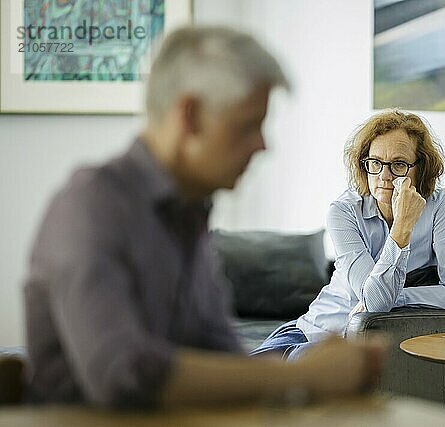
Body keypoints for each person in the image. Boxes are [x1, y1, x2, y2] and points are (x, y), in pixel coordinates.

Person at [23, 26, 386, 408]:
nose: (263, 145)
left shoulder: (189, 215)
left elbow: (222, 355)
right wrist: (305, 375)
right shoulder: (91, 205)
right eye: (248, 125)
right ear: (191, 117)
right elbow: (123, 375)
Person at [251, 109, 445, 360]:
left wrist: (396, 297)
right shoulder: (343, 211)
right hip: (313, 333)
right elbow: (375, 301)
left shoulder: (440, 205)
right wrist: (402, 228)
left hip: (357, 345)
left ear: (419, 169)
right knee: (240, 386)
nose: (384, 176)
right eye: (375, 163)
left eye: (399, 164)